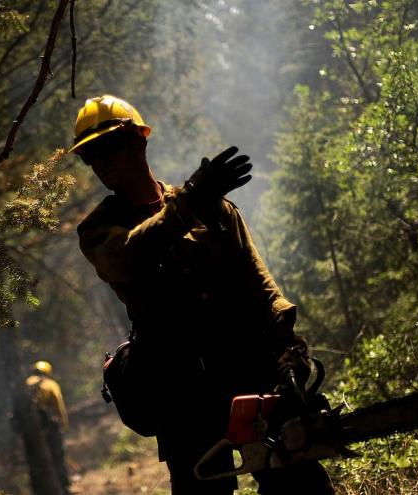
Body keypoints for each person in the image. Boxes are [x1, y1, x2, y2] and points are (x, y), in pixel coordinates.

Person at [71, 95, 334, 494]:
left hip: (248, 367)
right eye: (91, 156)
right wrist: (190, 201)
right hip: (179, 389)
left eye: (108, 147)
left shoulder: (213, 207)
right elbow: (126, 258)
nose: (101, 163)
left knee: (299, 482)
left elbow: (259, 283)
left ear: (140, 141)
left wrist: (289, 351)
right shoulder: (100, 229)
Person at [25, 360, 71, 493]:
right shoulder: (50, 385)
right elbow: (59, 407)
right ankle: (63, 486)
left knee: (34, 460)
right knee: (57, 456)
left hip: (31, 431)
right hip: (50, 429)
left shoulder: (25, 384)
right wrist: (64, 425)